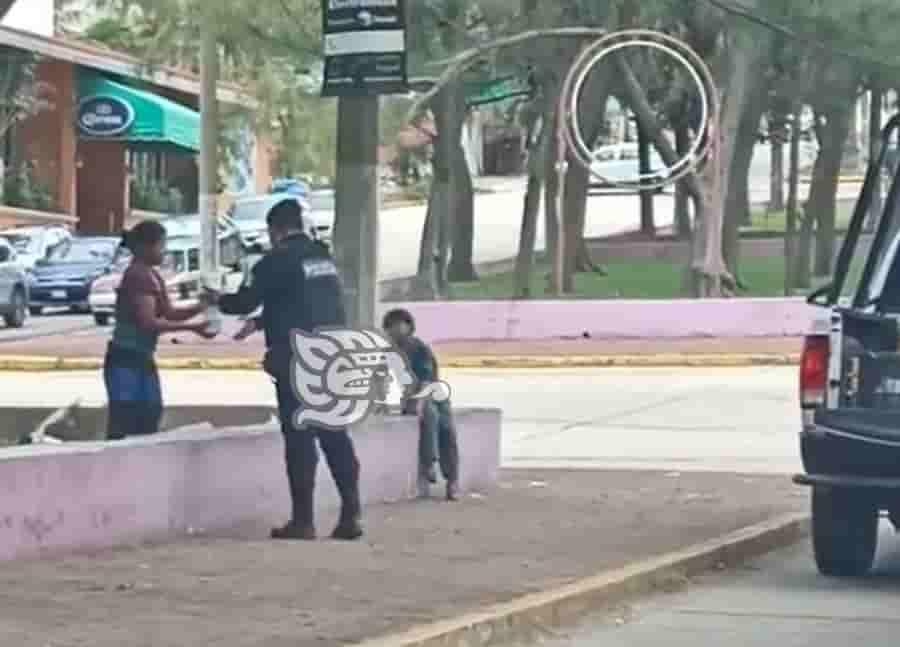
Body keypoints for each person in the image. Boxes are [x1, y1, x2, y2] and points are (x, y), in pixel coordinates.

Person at [214, 199, 363, 542]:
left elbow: (244, 300)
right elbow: (303, 301)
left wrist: (215, 298)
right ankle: (351, 514)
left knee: (299, 440)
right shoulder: (322, 258)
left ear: (275, 230)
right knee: (334, 434)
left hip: (296, 357)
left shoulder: (275, 260)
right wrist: (261, 322)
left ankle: (303, 521)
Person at [105, 220, 215, 441]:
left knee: (149, 416)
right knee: (127, 422)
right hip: (126, 360)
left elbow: (169, 312)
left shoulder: (152, 275)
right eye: (161, 245)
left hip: (141, 358)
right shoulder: (138, 275)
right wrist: (193, 327)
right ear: (145, 247)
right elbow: (149, 322)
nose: (164, 251)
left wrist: (200, 306)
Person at [382, 308, 459, 501]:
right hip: (412, 395)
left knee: (446, 427)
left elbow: (426, 380)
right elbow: (380, 377)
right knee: (430, 415)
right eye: (392, 325)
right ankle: (430, 463)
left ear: (409, 327)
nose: (397, 329)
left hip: (432, 392)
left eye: (401, 324)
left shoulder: (420, 348)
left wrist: (419, 402)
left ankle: (452, 480)